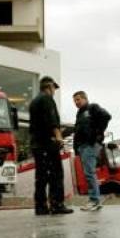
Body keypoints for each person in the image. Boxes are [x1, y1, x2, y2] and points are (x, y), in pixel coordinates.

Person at [29, 76, 73, 215]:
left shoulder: (34, 102)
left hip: (37, 144)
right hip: (48, 143)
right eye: (54, 88)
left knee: (41, 177)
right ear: (49, 87)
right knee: (55, 174)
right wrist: (59, 137)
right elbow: (52, 120)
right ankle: (57, 204)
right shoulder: (47, 99)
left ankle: (40, 206)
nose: (54, 91)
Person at [72, 90, 111, 211]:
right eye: (74, 101)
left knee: (89, 173)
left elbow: (106, 116)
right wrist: (76, 147)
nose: (76, 102)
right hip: (83, 145)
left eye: (78, 99)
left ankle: (94, 200)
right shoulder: (80, 113)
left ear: (85, 98)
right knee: (88, 173)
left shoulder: (92, 108)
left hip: (90, 144)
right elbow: (78, 131)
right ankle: (94, 200)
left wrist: (98, 133)